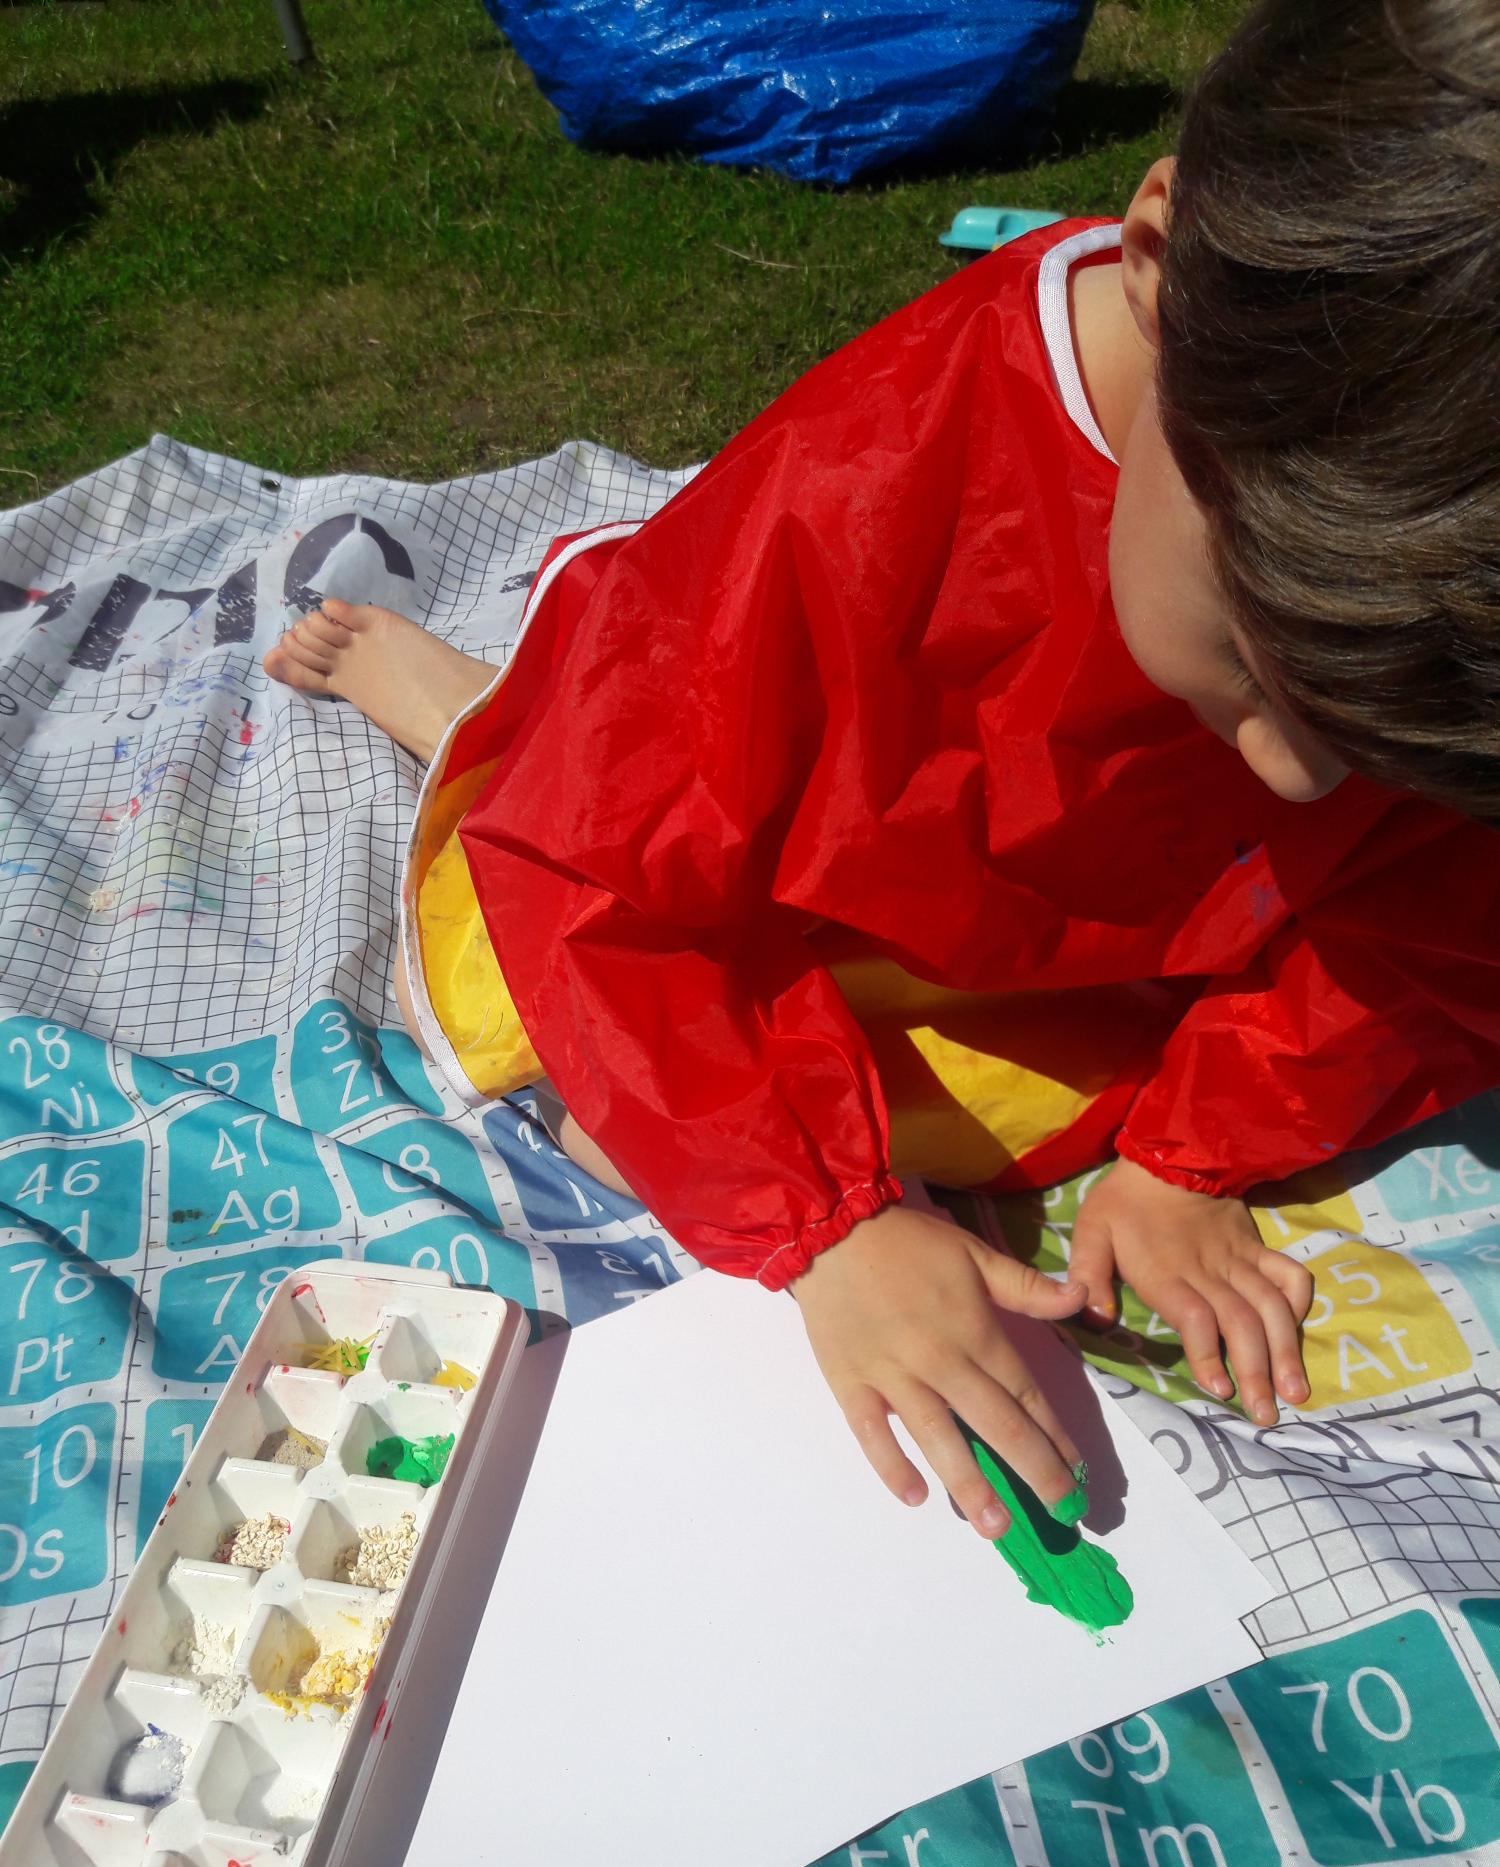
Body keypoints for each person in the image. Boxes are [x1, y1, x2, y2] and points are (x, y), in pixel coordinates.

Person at [264, 0, 1500, 1542]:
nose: (1307, 780)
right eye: (1265, 668)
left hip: (1088, 908)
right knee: (561, 989)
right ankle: (470, 703)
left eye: (1385, 735)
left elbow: (1441, 906)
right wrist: (833, 1228)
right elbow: (602, 855)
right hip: (799, 855)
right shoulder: (861, 493)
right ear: (1165, 272)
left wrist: (1195, 1155)